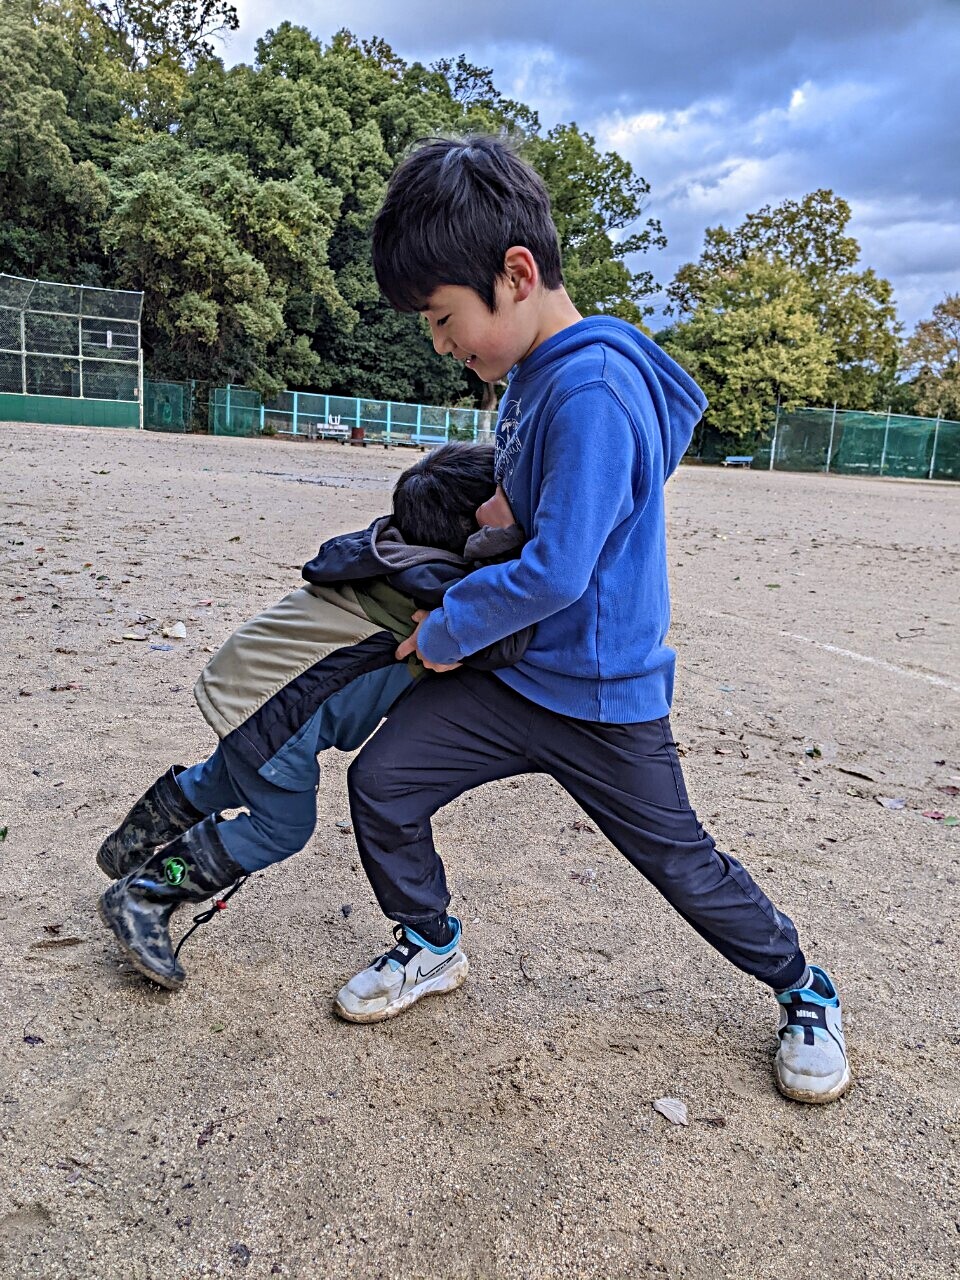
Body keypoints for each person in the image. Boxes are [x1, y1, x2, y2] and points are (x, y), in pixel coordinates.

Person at [332, 136, 851, 1106]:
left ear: (516, 275)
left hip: (603, 699)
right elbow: (540, 512)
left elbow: (559, 570)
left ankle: (803, 986)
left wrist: (446, 629)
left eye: (443, 318)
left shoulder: (593, 386)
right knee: (385, 781)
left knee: (684, 865)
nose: (441, 343)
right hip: (518, 678)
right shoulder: (532, 373)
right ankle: (431, 940)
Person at [97, 443, 526, 992]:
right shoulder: (441, 585)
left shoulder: (391, 547)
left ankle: (127, 846)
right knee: (283, 827)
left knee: (221, 780)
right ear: (471, 531)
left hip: (250, 678)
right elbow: (506, 640)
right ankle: (144, 897)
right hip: (281, 709)